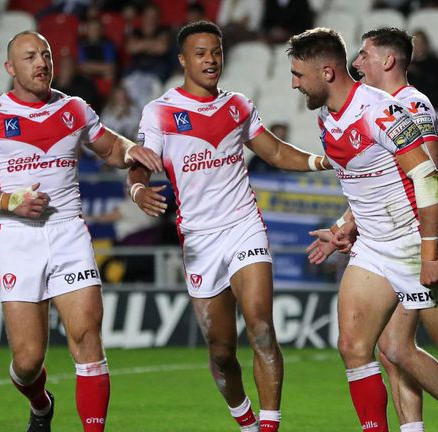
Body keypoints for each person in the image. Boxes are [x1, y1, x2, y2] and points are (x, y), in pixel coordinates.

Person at [289, 27, 438, 432]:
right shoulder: (328, 114)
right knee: (365, 348)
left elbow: (426, 176)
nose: (358, 61)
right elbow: (365, 180)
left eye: (365, 54)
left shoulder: (403, 107)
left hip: (412, 241)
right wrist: (344, 225)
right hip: (372, 244)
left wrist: (428, 252)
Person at [0, 31, 162, 432]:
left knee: (88, 341)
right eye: (29, 57)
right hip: (17, 237)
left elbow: (110, 147)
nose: (41, 63)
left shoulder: (74, 109)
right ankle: (41, 404)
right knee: (28, 363)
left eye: (45, 55)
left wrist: (132, 151)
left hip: (69, 235)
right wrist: (7, 202)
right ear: (11, 68)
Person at [127, 21, 333, 432]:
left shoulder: (236, 104)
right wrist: (137, 191)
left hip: (244, 226)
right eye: (201, 53)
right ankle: (246, 420)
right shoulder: (161, 112)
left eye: (217, 52)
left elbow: (273, 150)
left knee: (260, 325)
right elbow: (139, 164)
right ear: (183, 60)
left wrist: (320, 161)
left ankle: (270, 426)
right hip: (200, 241)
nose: (211, 60)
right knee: (221, 350)